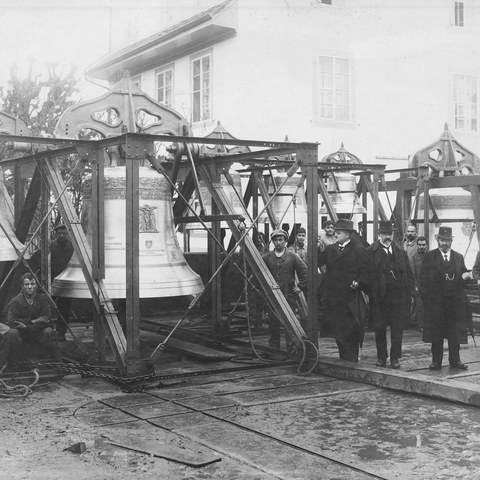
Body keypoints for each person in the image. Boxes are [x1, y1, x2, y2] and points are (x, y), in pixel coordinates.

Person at [419, 226, 471, 371]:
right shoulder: (430, 257)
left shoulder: (458, 257)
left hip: (454, 305)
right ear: (437, 240)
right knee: (437, 334)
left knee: (454, 334)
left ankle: (455, 361)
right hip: (436, 305)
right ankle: (436, 362)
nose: (445, 243)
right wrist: (428, 301)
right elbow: (422, 281)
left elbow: (463, 274)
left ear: (451, 241)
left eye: (447, 240)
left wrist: (466, 276)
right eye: (442, 240)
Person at [365, 221, 415, 369]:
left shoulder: (400, 252)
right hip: (379, 298)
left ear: (392, 234)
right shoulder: (370, 252)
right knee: (379, 328)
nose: (387, 236)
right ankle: (382, 357)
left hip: (397, 297)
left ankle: (395, 358)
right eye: (384, 233)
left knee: (397, 328)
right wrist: (372, 293)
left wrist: (411, 292)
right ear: (379, 234)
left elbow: (409, 274)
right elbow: (366, 275)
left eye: (389, 233)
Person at [318, 219, 369, 362]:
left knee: (350, 332)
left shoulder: (358, 250)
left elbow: (366, 271)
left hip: (350, 299)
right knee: (337, 332)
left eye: (338, 232)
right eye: (335, 232)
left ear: (348, 234)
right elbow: (318, 261)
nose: (335, 235)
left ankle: (351, 360)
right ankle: (344, 360)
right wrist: (317, 247)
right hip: (334, 299)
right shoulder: (330, 250)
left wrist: (358, 282)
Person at [0, 273, 61, 369]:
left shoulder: (43, 300)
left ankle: (57, 363)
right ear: (22, 286)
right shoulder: (15, 301)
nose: (29, 287)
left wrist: (28, 325)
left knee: (49, 331)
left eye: (32, 284)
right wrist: (34, 321)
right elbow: (11, 321)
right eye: (26, 284)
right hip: (21, 334)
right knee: (11, 333)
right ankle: (11, 362)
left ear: (36, 286)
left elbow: (47, 319)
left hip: (38, 333)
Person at [262, 228, 307, 350]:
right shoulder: (266, 257)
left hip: (288, 294)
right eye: (275, 240)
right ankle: (273, 345)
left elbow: (305, 271)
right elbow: (260, 275)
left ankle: (291, 346)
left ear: (285, 241)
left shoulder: (292, 256)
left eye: (281, 240)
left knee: (290, 321)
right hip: (272, 295)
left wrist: (300, 286)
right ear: (272, 241)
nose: (278, 242)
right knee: (273, 321)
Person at [29, 224, 74, 341]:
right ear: (56, 234)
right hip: (51, 281)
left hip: (66, 283)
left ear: (68, 234)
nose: (62, 236)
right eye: (59, 234)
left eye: (64, 234)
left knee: (64, 309)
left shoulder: (73, 248)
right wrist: (45, 270)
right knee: (46, 307)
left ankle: (60, 333)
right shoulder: (50, 245)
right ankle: (44, 330)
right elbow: (35, 257)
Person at [248, 232, 268, 328]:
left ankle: (258, 322)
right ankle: (252, 322)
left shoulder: (266, 251)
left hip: (262, 278)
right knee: (252, 301)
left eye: (261, 238)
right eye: (257, 238)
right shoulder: (251, 249)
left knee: (261, 301)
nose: (259, 240)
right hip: (252, 278)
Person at [410, 236, 428, 329]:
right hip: (419, 286)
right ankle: (421, 326)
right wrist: (415, 286)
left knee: (429, 306)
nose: (421, 247)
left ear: (426, 245)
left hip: (429, 286)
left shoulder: (431, 256)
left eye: (423, 245)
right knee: (420, 306)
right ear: (417, 245)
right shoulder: (414, 258)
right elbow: (412, 273)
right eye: (420, 245)